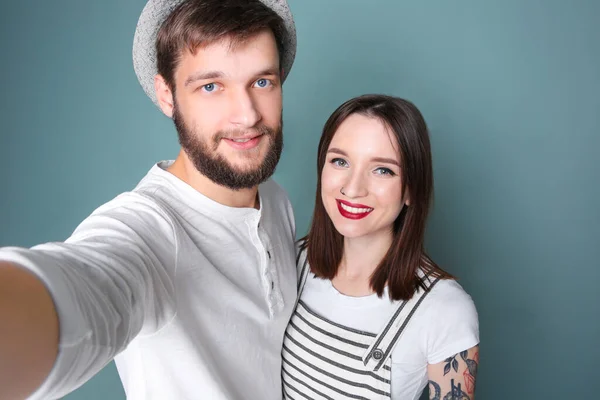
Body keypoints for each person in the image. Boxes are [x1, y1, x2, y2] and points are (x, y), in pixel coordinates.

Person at [0, 0, 299, 399]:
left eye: (262, 82)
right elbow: (90, 281)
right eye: (211, 86)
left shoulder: (276, 201)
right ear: (167, 95)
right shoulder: (148, 230)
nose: (246, 116)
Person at [282, 94, 480, 400]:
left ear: (411, 190)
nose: (352, 187)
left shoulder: (444, 309)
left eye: (382, 170)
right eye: (340, 161)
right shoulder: (293, 261)